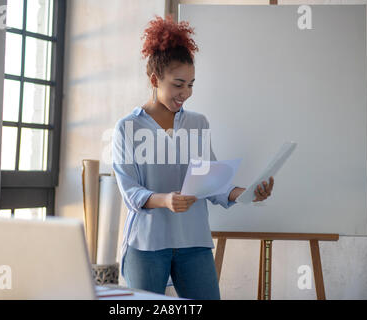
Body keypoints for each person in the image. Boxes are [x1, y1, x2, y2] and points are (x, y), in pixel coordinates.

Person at [112, 15, 274, 300]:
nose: (185, 93)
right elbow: (130, 191)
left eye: (190, 84)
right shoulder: (128, 127)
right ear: (154, 80)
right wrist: (165, 200)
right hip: (146, 244)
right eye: (178, 84)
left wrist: (248, 194)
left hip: (193, 242)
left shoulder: (198, 123)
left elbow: (211, 184)